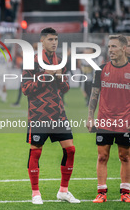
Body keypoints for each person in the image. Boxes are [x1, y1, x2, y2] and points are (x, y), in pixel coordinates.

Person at [22, 27, 80, 204]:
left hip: (58, 114)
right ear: (42, 41)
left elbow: (66, 88)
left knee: (70, 150)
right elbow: (25, 89)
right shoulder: (31, 61)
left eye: (56, 39)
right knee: (36, 152)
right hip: (38, 115)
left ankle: (63, 190)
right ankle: (35, 193)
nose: (54, 43)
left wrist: (60, 77)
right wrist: (46, 75)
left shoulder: (61, 61)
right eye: (50, 39)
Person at [87, 35, 130, 203]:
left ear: (124, 49)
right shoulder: (101, 69)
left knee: (125, 156)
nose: (110, 50)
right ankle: (101, 193)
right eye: (109, 47)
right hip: (104, 120)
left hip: (125, 121)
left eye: (114, 47)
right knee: (102, 156)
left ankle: (125, 192)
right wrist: (90, 117)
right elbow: (94, 95)